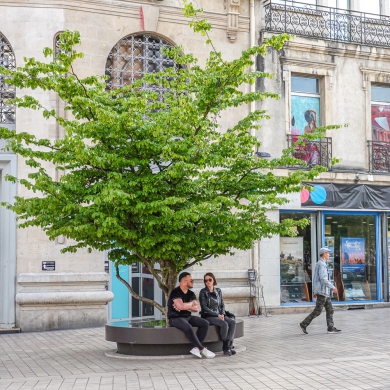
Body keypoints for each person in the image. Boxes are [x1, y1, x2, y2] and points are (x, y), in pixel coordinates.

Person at [168, 271, 215, 359]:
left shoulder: (191, 294)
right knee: (188, 327)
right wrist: (190, 304)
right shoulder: (175, 292)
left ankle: (196, 348)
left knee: (205, 323)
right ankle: (202, 349)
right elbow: (181, 306)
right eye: (191, 280)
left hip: (187, 316)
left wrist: (185, 306)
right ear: (184, 281)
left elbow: (196, 308)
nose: (193, 282)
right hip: (175, 318)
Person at [298, 247, 341, 335]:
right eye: (328, 253)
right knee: (318, 311)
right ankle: (303, 324)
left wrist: (314, 291)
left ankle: (330, 328)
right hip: (322, 291)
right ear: (324, 254)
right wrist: (332, 287)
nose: (329, 255)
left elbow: (315, 279)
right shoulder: (321, 264)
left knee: (330, 309)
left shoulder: (321, 264)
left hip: (324, 291)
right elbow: (323, 279)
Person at [199, 272, 236, 356]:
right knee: (224, 324)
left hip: (219, 314)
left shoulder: (218, 291)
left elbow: (222, 304)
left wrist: (222, 313)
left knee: (232, 322)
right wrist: (217, 315)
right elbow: (204, 307)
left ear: (213, 280)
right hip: (208, 316)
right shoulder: (203, 292)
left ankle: (229, 345)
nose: (208, 282)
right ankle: (225, 346)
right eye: (206, 281)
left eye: (209, 280)